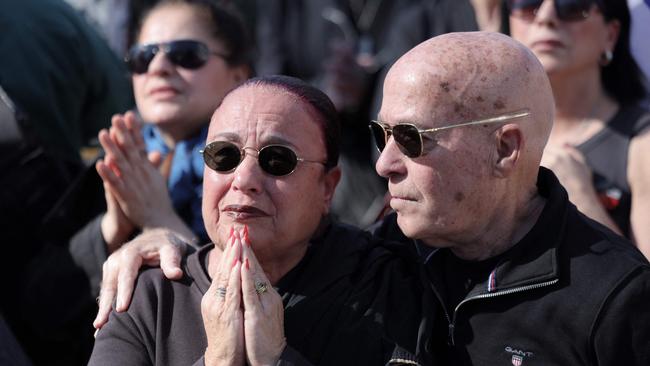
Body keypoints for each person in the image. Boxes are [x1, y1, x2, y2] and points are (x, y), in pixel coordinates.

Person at [94, 32, 650, 365]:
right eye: (381, 136)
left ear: (505, 149)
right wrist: (160, 233)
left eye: (411, 138)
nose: (384, 164)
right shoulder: (395, 250)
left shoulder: (616, 300)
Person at [89, 75, 422, 365]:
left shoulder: (384, 283)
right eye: (224, 156)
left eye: (278, 160)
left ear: (327, 187)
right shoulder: (149, 295)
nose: (244, 178)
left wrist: (276, 359)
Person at [78, 0, 252, 255]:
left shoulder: (264, 167)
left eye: (186, 54)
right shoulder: (116, 157)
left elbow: (260, 289)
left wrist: (159, 220)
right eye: (143, 56)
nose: (158, 68)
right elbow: (39, 289)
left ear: (238, 76)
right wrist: (113, 228)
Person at [507, 0, 650, 258]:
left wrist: (583, 199)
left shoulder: (642, 142)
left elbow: (644, 290)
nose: (546, 18)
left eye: (572, 5)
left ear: (611, 34)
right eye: (528, 4)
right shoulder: (487, 132)